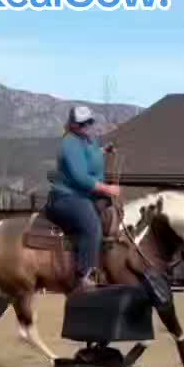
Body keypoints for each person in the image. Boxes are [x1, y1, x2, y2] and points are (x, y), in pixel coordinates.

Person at [44, 104, 121, 290]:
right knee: (92, 226)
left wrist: (103, 151)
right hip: (67, 197)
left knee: (112, 214)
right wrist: (107, 189)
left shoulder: (88, 141)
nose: (86, 126)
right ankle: (83, 275)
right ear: (72, 125)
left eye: (89, 122)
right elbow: (80, 177)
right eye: (82, 123)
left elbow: (89, 156)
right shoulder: (69, 143)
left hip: (84, 196)